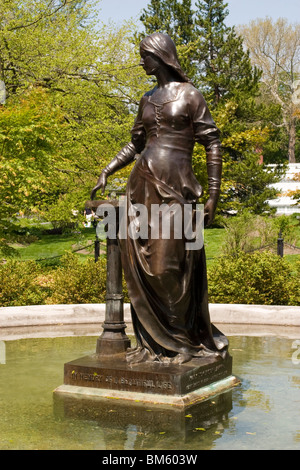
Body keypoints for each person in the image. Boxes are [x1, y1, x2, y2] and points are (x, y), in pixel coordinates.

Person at [91, 33, 228, 364]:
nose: (141, 61)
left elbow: (212, 142)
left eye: (145, 55)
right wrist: (107, 170)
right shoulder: (147, 99)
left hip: (176, 190)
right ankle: (154, 346)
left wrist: (213, 193)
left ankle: (182, 341)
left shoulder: (191, 96)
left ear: (161, 56)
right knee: (139, 264)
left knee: (166, 265)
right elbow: (136, 143)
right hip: (142, 187)